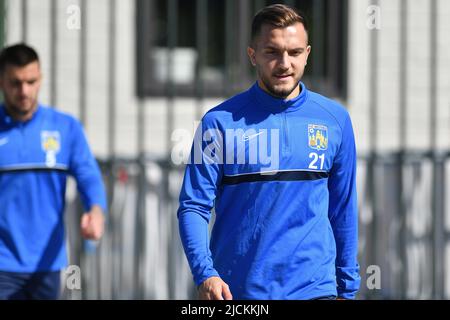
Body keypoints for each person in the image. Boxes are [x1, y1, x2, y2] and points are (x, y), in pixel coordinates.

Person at [177, 4, 360, 300]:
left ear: (308, 54)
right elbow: (193, 206)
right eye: (272, 52)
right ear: (253, 55)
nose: (284, 63)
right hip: (238, 294)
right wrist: (205, 274)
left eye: (295, 52)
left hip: (316, 291)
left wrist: (348, 290)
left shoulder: (335, 120)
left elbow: (343, 209)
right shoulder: (218, 123)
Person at [0, 43, 107, 299]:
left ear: (40, 79)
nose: (24, 91)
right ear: (2, 82)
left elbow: (89, 177)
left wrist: (96, 210)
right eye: (15, 83)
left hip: (48, 264)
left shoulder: (65, 127)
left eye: (30, 81)